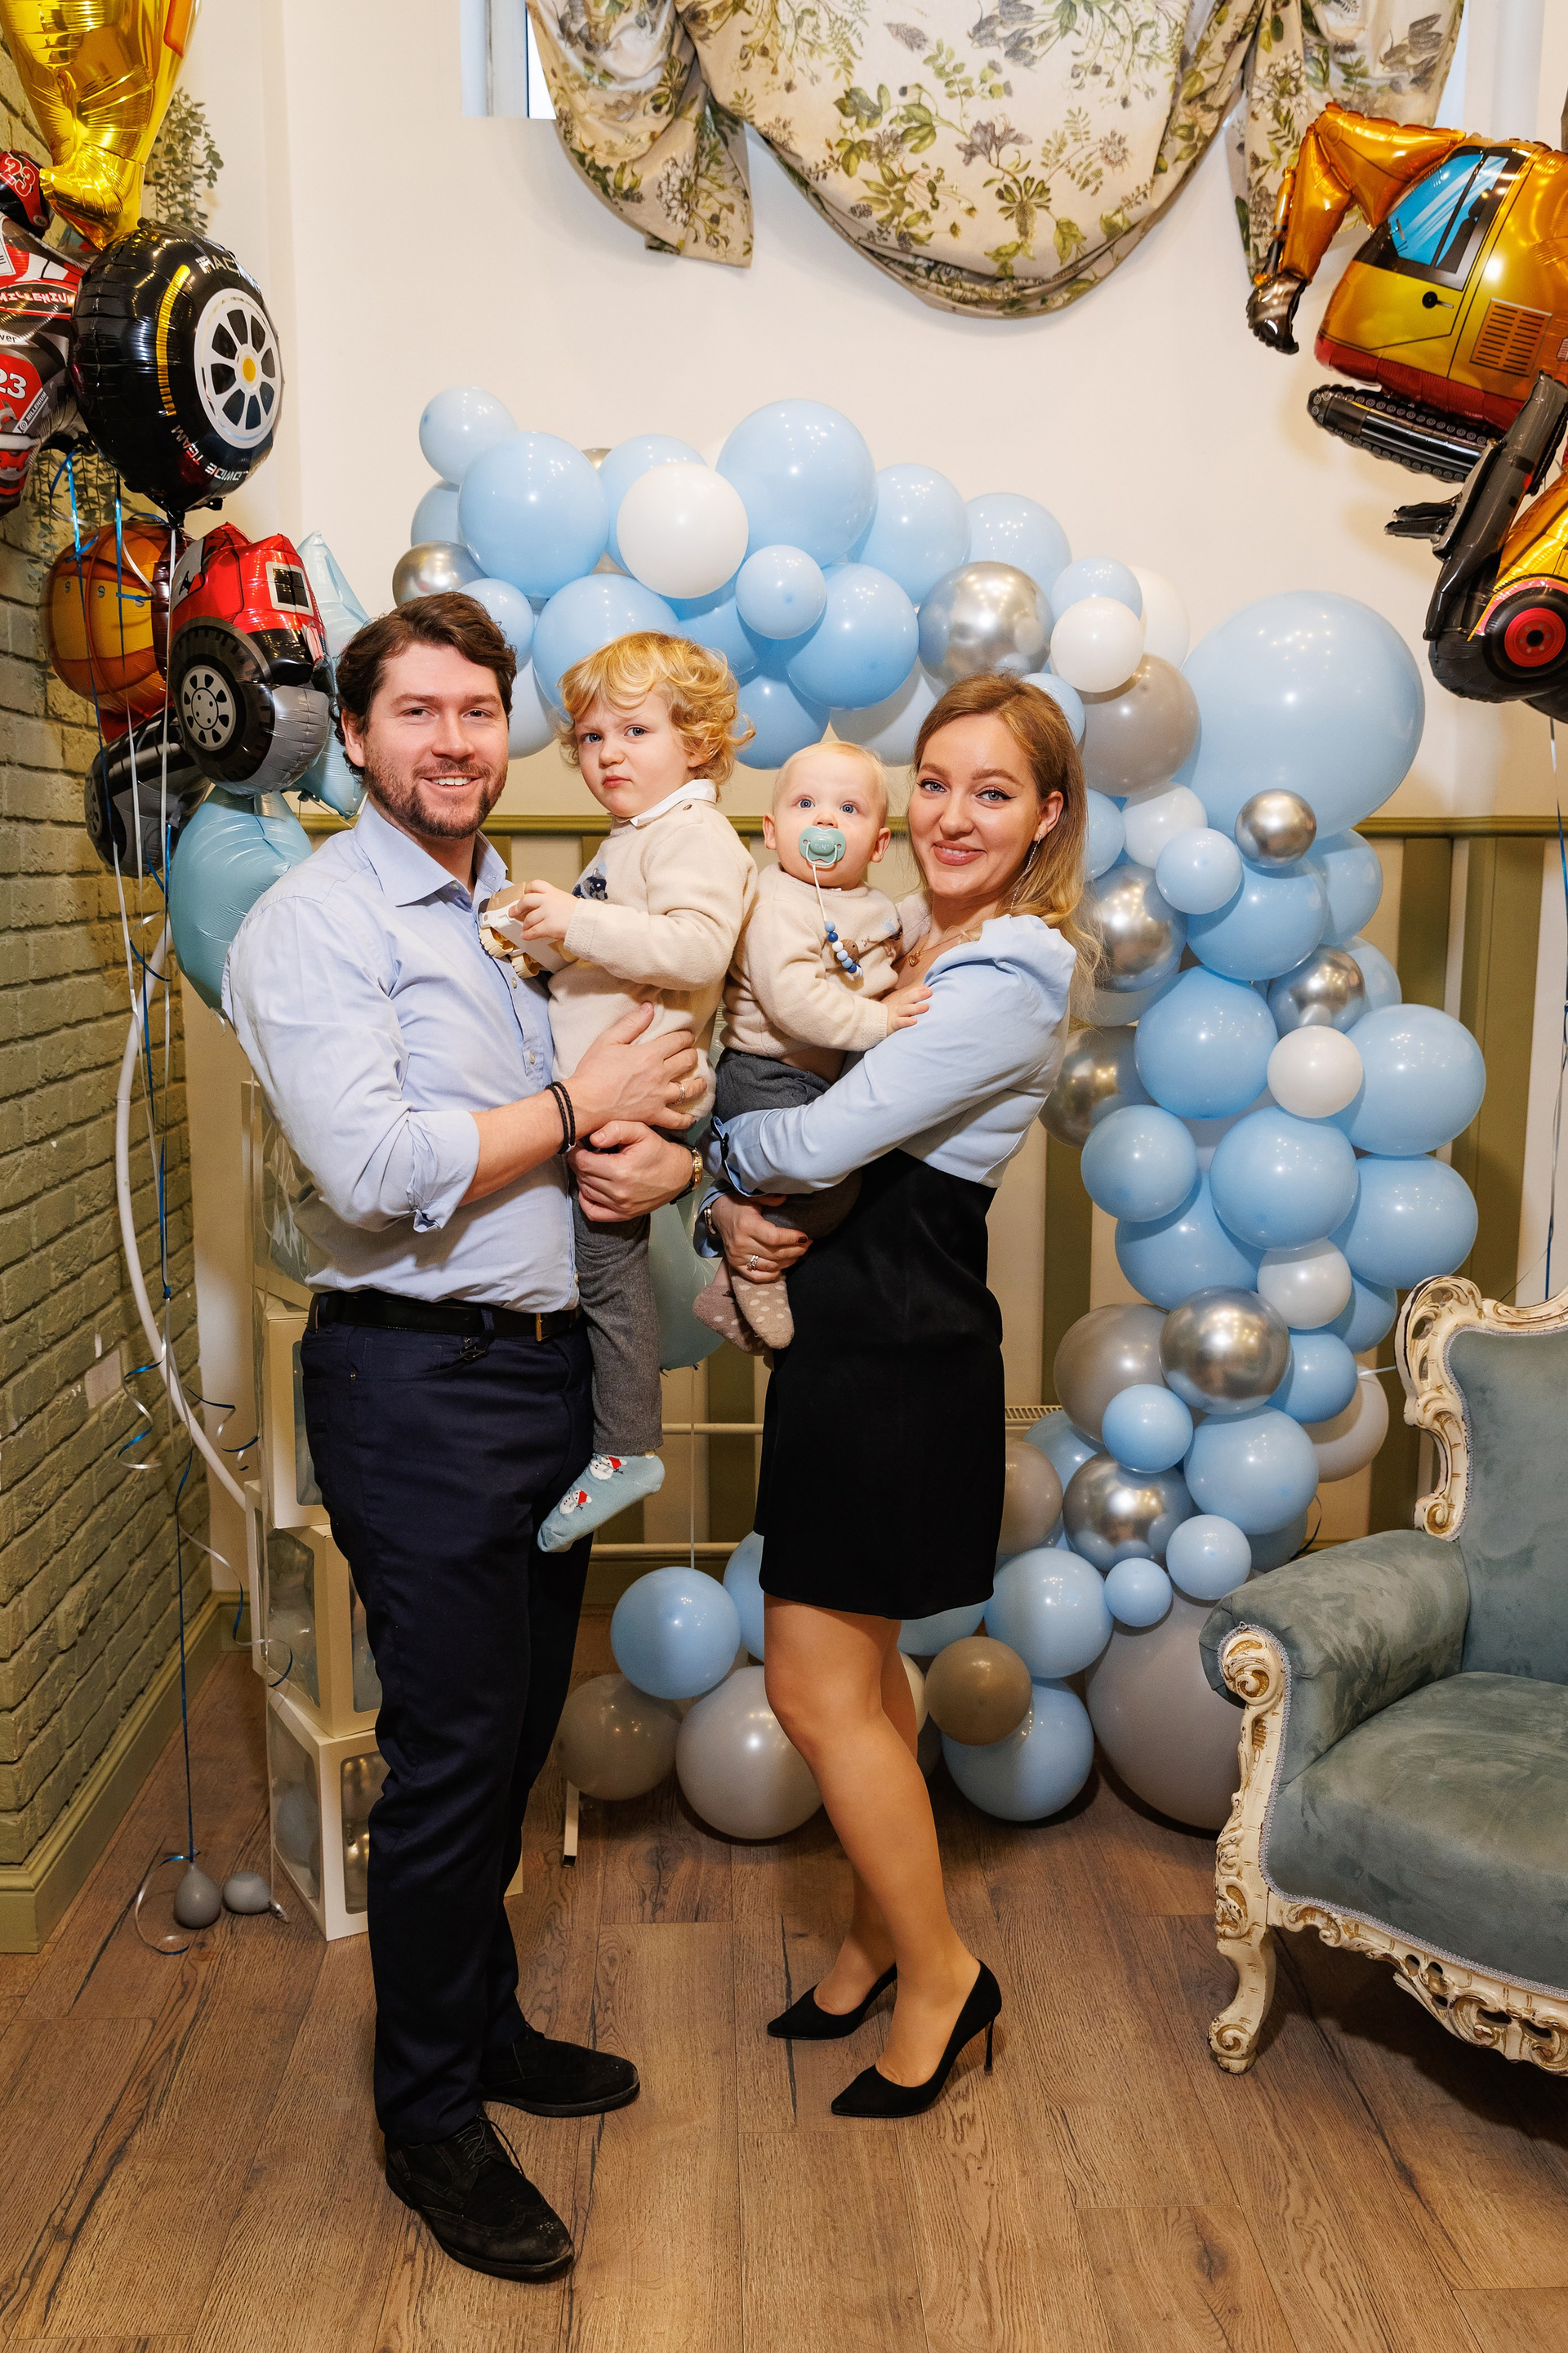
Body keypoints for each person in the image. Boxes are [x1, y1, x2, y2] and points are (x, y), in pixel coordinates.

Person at [223, 593, 704, 2285]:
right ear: (355, 738)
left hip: (548, 1377)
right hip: (415, 1387)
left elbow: (612, 1127)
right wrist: (581, 1109)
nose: (452, 740)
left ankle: (482, 2027)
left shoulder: (517, 914)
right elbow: (374, 1171)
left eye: (478, 712)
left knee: (508, 1741)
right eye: (416, 711)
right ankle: (426, 2118)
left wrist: (653, 1149)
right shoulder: (317, 921)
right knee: (448, 1760)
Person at [705, 674, 1090, 2119]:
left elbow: (822, 1141)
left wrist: (714, 1162)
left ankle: (942, 1974)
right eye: (933, 782)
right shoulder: (916, 937)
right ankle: (875, 1938)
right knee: (861, 1678)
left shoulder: (1012, 973)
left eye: (994, 791)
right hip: (855, 1340)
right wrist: (729, 1209)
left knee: (812, 1686)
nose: (951, 814)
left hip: (900, 1356)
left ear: (1048, 816)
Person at [483, 631, 757, 1549]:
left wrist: (575, 919)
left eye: (635, 731)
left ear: (699, 741)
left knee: (607, 1276)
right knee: (592, 1267)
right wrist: (542, 939)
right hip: (604, 1088)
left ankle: (629, 1445)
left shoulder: (693, 834)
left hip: (638, 1091)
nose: (608, 755)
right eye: (593, 737)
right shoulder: (638, 836)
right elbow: (614, 954)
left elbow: (695, 948)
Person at [697, 738, 930, 1352]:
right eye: (806, 804)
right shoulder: (777, 901)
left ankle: (732, 1277)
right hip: (764, 1076)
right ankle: (753, 1271)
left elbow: (890, 940)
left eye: (849, 809)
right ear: (773, 832)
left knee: (838, 1188)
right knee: (834, 1188)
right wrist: (881, 1021)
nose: (825, 819)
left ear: (878, 843)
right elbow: (795, 1003)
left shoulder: (870, 904)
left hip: (812, 1084)